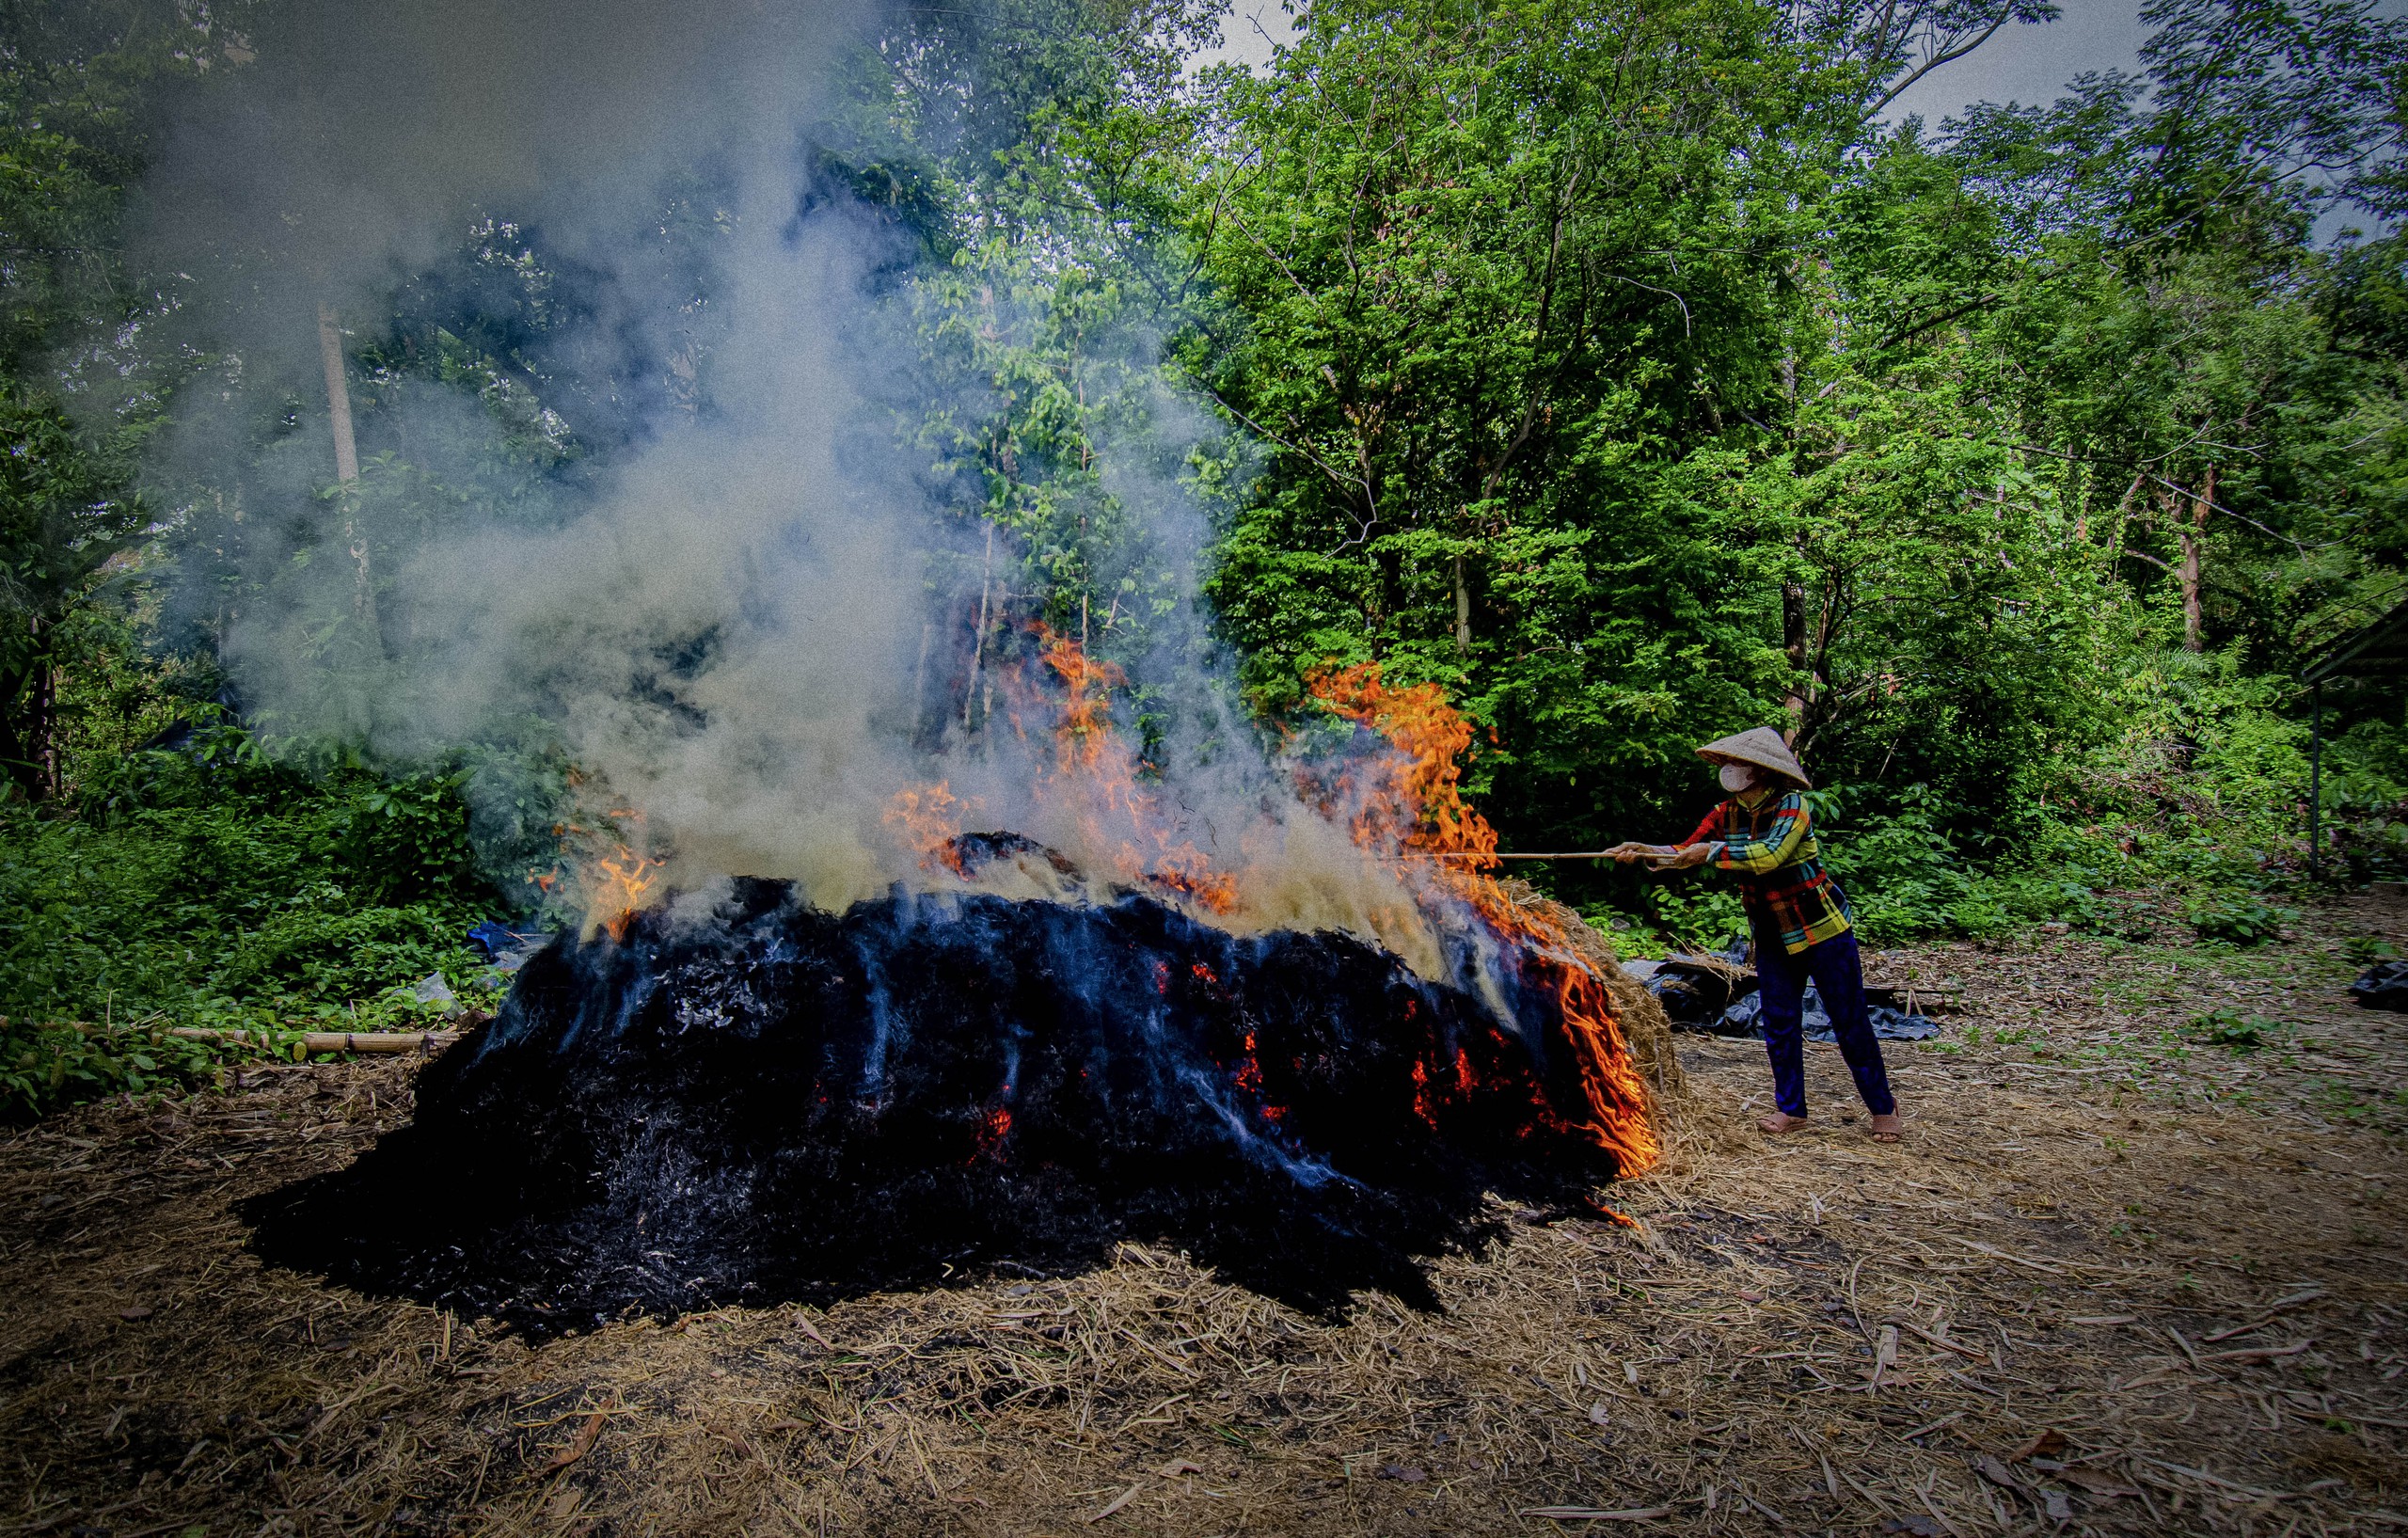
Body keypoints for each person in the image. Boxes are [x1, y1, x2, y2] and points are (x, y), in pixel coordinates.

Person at [1606, 727, 1904, 1143]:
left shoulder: (1792, 807)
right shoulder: (1724, 812)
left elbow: (1770, 855)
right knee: (1779, 1021)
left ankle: (1883, 1108)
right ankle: (1791, 1109)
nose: (1729, 770)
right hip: (1771, 934)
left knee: (1849, 1020)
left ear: (1761, 772)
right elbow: (1685, 851)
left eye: (1738, 764)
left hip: (1823, 929)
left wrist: (1711, 853)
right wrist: (1643, 850)